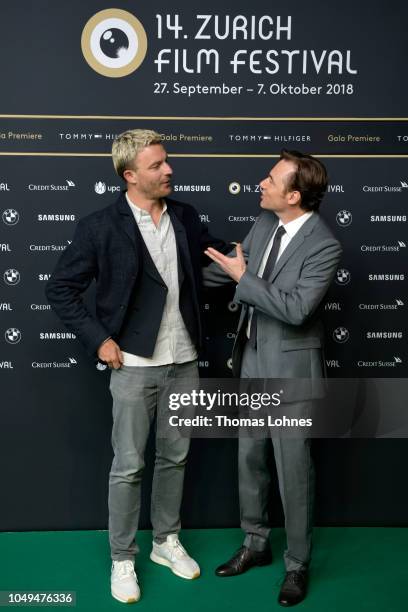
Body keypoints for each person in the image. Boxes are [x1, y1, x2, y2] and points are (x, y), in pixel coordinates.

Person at [45, 129, 228, 604]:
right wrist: (99, 339)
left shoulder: (185, 216)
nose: (168, 170)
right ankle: (123, 558)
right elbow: (60, 289)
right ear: (130, 175)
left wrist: (254, 259)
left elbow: (214, 260)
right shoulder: (98, 227)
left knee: (176, 458)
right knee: (128, 466)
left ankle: (166, 542)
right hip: (133, 365)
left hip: (184, 359)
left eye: (166, 162)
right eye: (156, 166)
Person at [204, 150, 342, 607]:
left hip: (292, 372)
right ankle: (256, 544)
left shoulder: (325, 245)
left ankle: (297, 564)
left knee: (293, 472)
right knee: (250, 460)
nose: (260, 183)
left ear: (295, 195)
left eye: (271, 179)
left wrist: (244, 277)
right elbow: (234, 272)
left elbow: (296, 310)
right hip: (252, 363)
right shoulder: (265, 224)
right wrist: (172, 271)